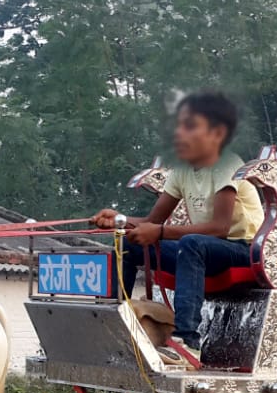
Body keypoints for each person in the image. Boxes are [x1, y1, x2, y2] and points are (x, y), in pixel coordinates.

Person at [90, 91, 263, 367]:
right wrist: (119, 219)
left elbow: (219, 228)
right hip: (203, 248)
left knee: (191, 243)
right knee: (128, 244)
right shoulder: (182, 170)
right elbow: (153, 221)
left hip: (242, 249)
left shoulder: (226, 164)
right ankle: (113, 327)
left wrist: (159, 233)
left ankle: (187, 342)